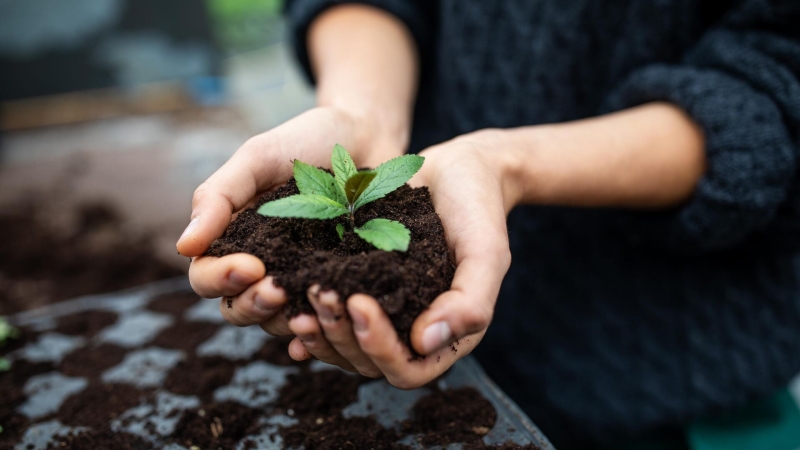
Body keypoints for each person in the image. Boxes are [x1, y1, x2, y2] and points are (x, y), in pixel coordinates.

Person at [176, 1, 800, 448]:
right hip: (437, 394)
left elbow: (776, 80)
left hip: (678, 378)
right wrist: (358, 112)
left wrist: (508, 165)